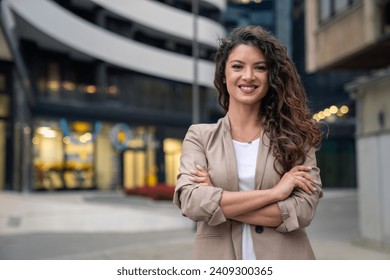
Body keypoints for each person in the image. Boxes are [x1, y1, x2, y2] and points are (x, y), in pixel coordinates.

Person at [173, 25, 323, 260]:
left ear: (270, 76)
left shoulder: (295, 136)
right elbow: (191, 202)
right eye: (237, 66)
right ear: (224, 75)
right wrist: (275, 193)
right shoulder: (199, 137)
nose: (248, 76)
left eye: (260, 68)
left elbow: (302, 212)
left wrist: (217, 199)